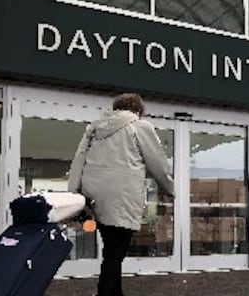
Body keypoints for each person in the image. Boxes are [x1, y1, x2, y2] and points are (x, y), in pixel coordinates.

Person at [68, 93, 174, 296]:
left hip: (95, 195)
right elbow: (158, 163)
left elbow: (79, 159)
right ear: (138, 109)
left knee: (111, 248)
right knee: (115, 252)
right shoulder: (140, 126)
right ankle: (106, 293)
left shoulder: (94, 127)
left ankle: (114, 292)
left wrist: (74, 192)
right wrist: (170, 188)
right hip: (123, 195)